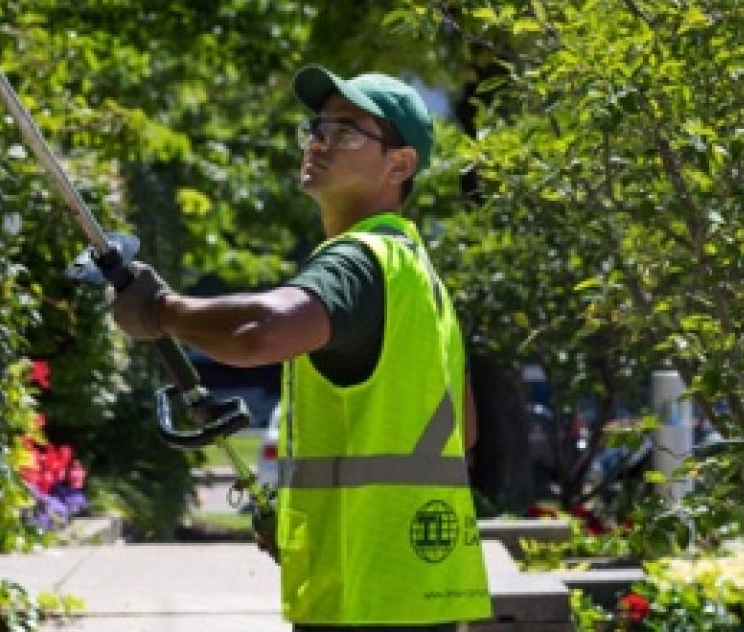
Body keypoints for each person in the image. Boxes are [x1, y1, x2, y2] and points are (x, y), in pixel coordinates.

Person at [112, 65, 492, 631]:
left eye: (346, 131)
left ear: (400, 164)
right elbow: (464, 430)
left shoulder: (358, 261)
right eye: (318, 127)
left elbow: (259, 333)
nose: (319, 140)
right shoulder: (417, 274)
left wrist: (161, 311)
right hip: (421, 585)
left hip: (362, 593)